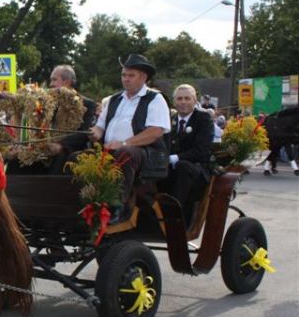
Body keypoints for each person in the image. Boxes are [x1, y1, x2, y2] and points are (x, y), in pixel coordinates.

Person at [90, 54, 171, 224]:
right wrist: (95, 133)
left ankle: (118, 205)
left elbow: (156, 131)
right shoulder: (114, 99)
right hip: (109, 149)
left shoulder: (155, 99)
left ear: (143, 77)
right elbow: (100, 126)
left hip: (144, 154)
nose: (126, 79)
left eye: (131, 75)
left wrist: (125, 143)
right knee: (78, 157)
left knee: (125, 153)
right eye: (123, 75)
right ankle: (86, 202)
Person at [159, 84, 214, 223]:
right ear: (174, 102)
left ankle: (174, 214)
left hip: (197, 168)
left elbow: (202, 150)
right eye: (179, 99)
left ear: (195, 101)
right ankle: (152, 210)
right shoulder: (170, 120)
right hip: (172, 166)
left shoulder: (203, 119)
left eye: (187, 98)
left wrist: (175, 158)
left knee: (183, 167)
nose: (183, 102)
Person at [46, 64, 97, 173]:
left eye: (54, 80)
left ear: (67, 82)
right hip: (47, 147)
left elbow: (83, 133)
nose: (51, 84)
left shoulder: (87, 104)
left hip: (71, 149)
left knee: (60, 158)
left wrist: (61, 146)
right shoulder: (49, 103)